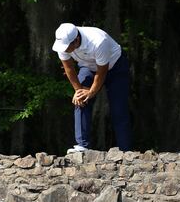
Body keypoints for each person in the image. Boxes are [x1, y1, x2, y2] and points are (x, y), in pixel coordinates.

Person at [52, 23, 132, 153]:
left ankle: (125, 151)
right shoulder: (63, 44)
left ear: (76, 40)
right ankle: (82, 145)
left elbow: (102, 72)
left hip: (115, 67)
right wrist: (79, 91)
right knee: (80, 100)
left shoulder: (98, 41)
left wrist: (91, 92)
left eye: (67, 47)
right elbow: (69, 68)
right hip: (88, 67)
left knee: (118, 109)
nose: (64, 50)